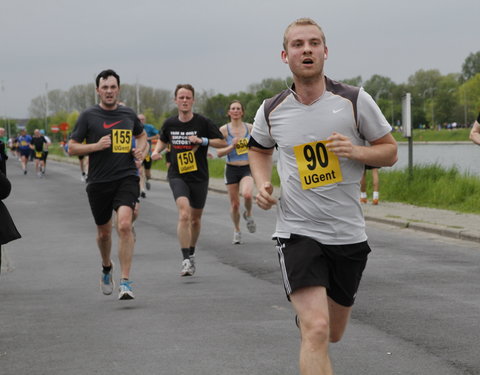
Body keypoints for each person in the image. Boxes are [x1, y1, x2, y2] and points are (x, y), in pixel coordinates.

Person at [248, 18, 398, 375]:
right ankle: (309, 323)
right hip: (297, 231)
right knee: (317, 329)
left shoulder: (354, 100)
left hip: (347, 234)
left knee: (332, 332)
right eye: (298, 45)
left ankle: (309, 323)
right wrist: (262, 184)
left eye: (314, 43)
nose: (307, 50)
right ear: (285, 56)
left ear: (325, 52)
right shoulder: (272, 109)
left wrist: (356, 152)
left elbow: (389, 152)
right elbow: (258, 149)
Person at [68, 69, 147, 300]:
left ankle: (126, 281)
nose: (109, 91)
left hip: (126, 177)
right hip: (99, 181)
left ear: (118, 89)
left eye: (113, 87)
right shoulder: (88, 116)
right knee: (104, 234)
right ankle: (106, 266)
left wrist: (140, 151)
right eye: (105, 88)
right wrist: (95, 146)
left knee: (123, 225)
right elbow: (72, 147)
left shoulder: (128, 114)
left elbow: (141, 136)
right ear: (98, 91)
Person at [151, 84, 226, 276]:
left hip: (199, 176)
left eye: (188, 97)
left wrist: (202, 141)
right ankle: (185, 259)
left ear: (193, 100)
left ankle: (191, 253)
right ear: (175, 100)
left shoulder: (203, 122)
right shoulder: (170, 123)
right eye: (181, 97)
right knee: (184, 214)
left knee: (195, 219)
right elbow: (163, 138)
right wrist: (155, 151)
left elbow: (222, 142)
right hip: (177, 175)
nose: (184, 100)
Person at [216, 100, 256, 244]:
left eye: (238, 108)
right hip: (231, 168)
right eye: (233, 108)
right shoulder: (223, 130)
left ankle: (249, 213)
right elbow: (219, 153)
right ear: (229, 112)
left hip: (247, 167)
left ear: (242, 112)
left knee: (247, 194)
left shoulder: (250, 128)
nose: (236, 111)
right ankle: (237, 230)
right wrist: (231, 147)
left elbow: (259, 146)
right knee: (234, 204)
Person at [137, 114, 159, 198]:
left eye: (142, 119)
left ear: (145, 120)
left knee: (147, 172)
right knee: (140, 171)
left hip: (147, 154)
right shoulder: (134, 127)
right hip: (139, 153)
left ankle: (147, 180)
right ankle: (142, 189)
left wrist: (148, 139)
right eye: (139, 119)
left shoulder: (149, 127)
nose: (141, 121)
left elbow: (157, 135)